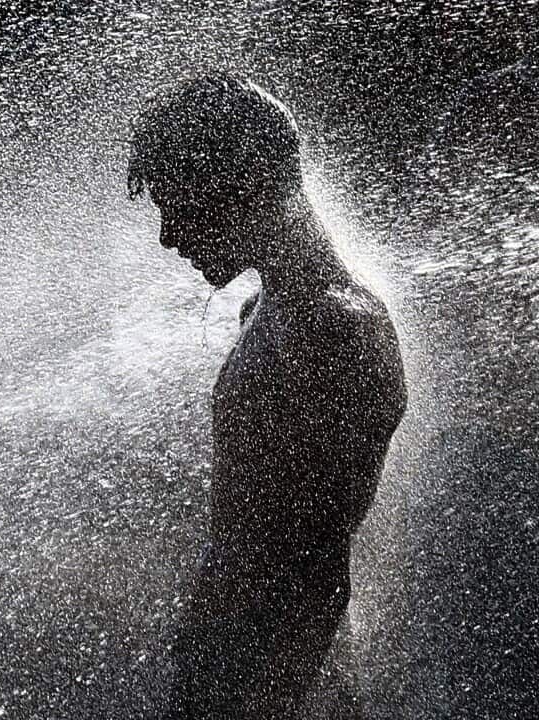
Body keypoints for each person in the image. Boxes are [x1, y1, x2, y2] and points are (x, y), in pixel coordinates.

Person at [127, 74, 408, 718]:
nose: (170, 235)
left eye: (179, 202)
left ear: (238, 186)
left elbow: (310, 557)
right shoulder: (276, 309)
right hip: (252, 671)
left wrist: (227, 695)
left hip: (270, 686)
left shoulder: (331, 325)